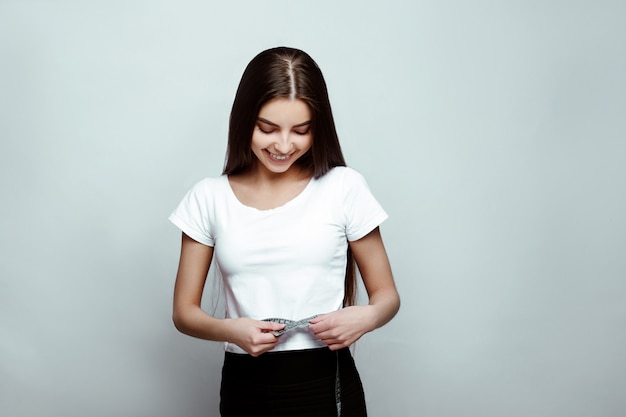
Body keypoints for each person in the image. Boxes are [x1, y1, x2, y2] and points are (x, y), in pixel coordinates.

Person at [169, 46, 400, 417]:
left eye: (301, 131)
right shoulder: (208, 197)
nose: (283, 145)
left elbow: (387, 295)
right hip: (246, 388)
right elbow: (183, 313)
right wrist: (233, 331)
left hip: (327, 384)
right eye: (267, 128)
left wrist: (366, 317)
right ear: (244, 120)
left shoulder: (344, 187)